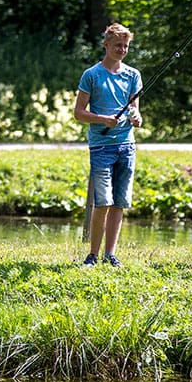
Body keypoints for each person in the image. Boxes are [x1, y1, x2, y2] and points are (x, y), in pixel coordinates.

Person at [74, 22, 142, 268]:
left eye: (125, 46)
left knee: (119, 202)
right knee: (102, 201)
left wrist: (136, 118)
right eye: (117, 45)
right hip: (101, 147)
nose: (122, 50)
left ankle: (110, 254)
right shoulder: (91, 75)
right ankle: (92, 254)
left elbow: (136, 111)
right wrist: (103, 119)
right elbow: (79, 113)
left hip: (127, 146)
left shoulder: (133, 75)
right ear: (106, 45)